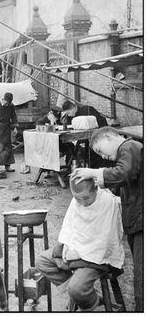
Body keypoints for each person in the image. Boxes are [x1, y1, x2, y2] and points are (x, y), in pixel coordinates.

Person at [70, 126, 143, 311]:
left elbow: (125, 173)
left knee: (142, 277)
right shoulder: (126, 156)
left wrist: (94, 173)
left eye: (100, 150)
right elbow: (124, 184)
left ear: (110, 137)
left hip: (141, 222)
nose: (102, 156)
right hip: (136, 223)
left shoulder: (130, 146)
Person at [36, 177, 124, 311]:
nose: (83, 203)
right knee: (42, 261)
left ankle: (89, 300)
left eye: (86, 198)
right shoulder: (78, 199)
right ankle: (86, 294)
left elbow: (104, 241)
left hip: (97, 257)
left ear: (95, 188)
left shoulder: (107, 202)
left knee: (76, 289)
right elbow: (69, 227)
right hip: (76, 252)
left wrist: (79, 254)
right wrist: (66, 245)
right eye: (78, 199)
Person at [36, 107, 74, 177]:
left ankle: (68, 166)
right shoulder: (41, 122)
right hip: (47, 144)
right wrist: (51, 123)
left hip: (59, 143)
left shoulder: (59, 119)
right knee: (48, 150)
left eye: (57, 118)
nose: (56, 119)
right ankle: (47, 170)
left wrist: (63, 123)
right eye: (55, 117)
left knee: (71, 146)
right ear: (50, 113)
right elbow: (40, 136)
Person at [0, 92, 19, 176]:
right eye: (6, 102)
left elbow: (13, 116)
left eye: (9, 103)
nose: (7, 104)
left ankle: (7, 166)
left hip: (6, 129)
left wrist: (15, 127)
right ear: (3, 99)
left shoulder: (11, 106)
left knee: (7, 147)